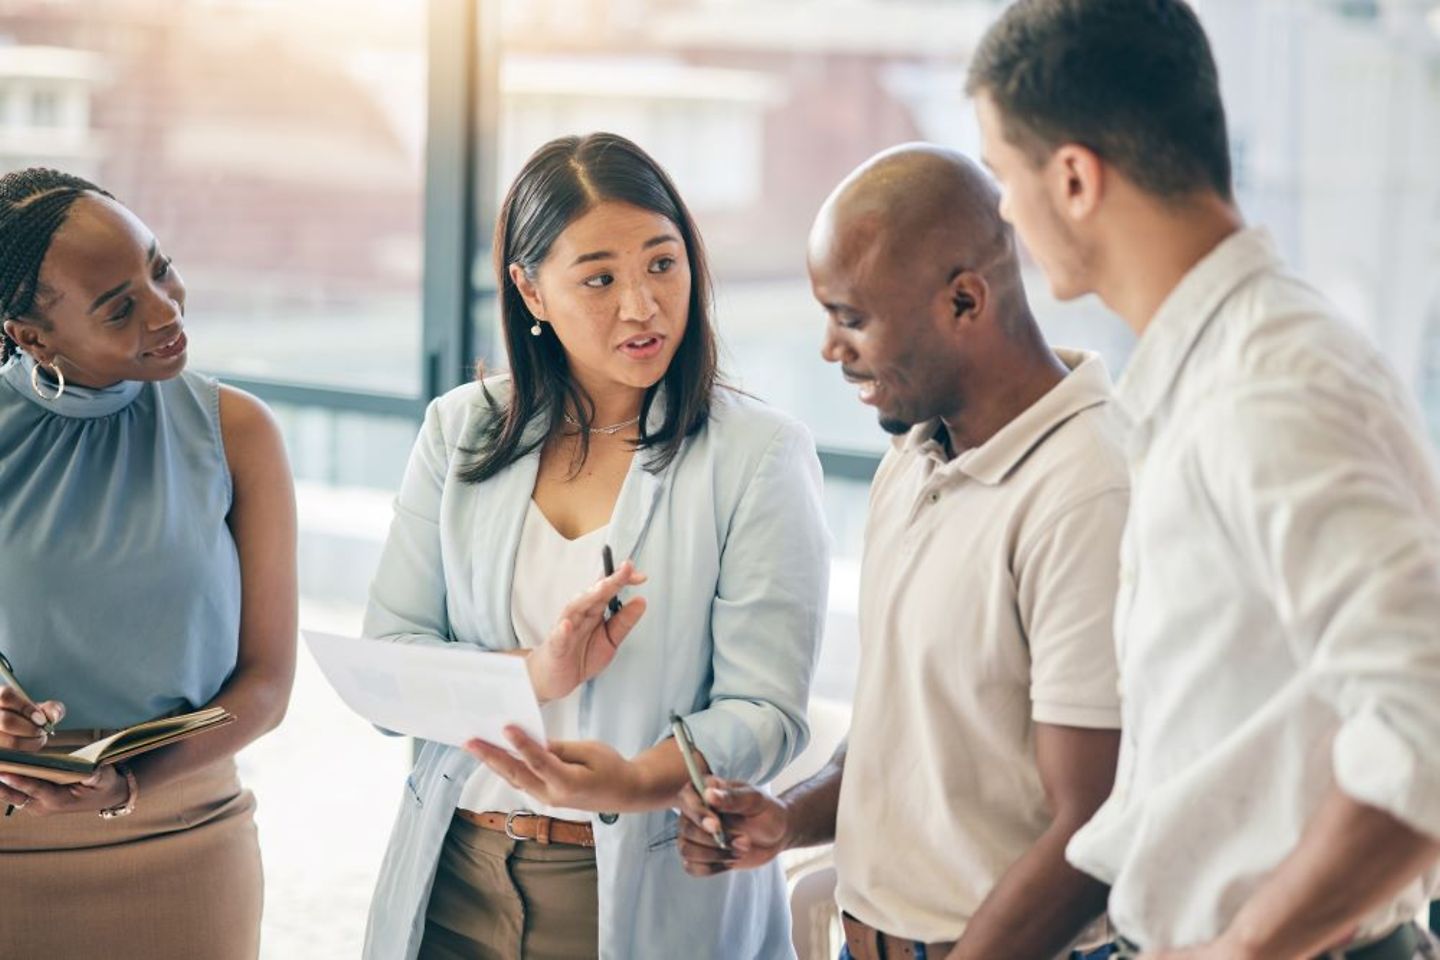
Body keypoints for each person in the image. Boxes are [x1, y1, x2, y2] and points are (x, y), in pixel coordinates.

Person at [967, 2, 1440, 958]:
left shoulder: (1271, 387)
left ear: (1072, 178)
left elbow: (1428, 723)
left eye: (1001, 179)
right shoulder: (1203, 379)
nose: (1005, 214)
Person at [360, 132, 830, 960]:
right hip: (457, 871)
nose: (643, 306)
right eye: (600, 279)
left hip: (634, 885)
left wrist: (634, 781)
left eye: (663, 263)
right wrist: (534, 674)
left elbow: (767, 711)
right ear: (530, 291)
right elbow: (390, 669)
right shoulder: (459, 429)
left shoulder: (758, 453)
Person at [678, 143, 1128, 960]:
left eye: (852, 317)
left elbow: (1092, 828)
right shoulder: (915, 454)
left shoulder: (1088, 490)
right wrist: (790, 816)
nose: (828, 348)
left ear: (965, 300)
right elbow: (908, 733)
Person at [0, 168, 296, 957]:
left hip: (187, 839)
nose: (166, 310)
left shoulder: (238, 432)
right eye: (119, 306)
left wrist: (130, 785)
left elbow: (267, 687)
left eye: (159, 267)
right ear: (31, 335)